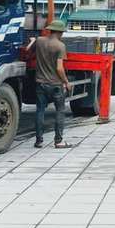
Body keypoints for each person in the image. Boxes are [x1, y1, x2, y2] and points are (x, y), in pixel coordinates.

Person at [27, 20, 73, 149]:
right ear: (59, 32)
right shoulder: (60, 46)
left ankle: (38, 141)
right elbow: (59, 68)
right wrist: (66, 82)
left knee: (40, 111)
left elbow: (27, 51)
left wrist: (32, 41)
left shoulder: (40, 41)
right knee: (59, 111)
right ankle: (58, 141)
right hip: (56, 85)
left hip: (40, 83)